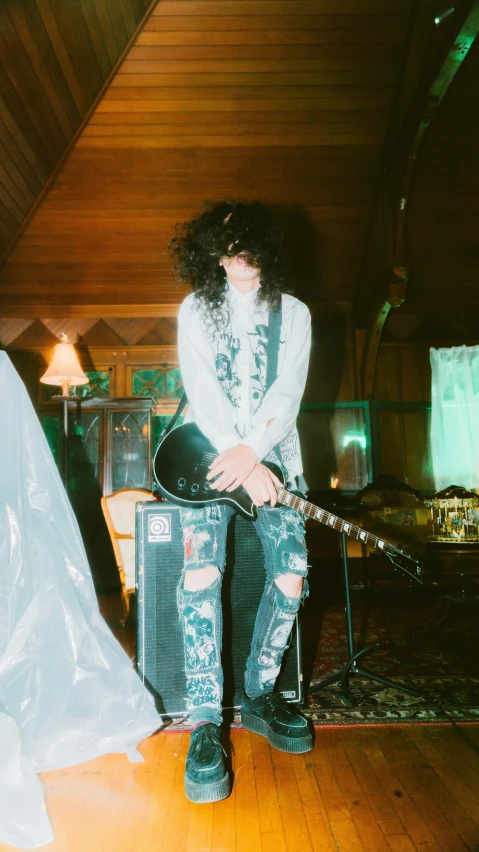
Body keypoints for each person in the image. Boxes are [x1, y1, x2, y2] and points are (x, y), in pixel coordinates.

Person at [170, 200, 312, 803]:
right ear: (211, 252)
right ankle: (206, 721)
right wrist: (234, 451)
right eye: (226, 246)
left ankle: (259, 691)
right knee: (200, 572)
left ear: (266, 249)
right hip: (207, 459)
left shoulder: (296, 313)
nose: (237, 257)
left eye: (248, 244)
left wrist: (255, 452)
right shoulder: (195, 307)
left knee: (290, 576)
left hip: (276, 457)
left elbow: (289, 387)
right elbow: (200, 385)